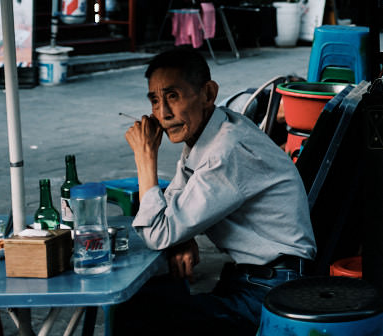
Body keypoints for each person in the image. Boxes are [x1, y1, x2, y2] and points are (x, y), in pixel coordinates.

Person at [115, 47, 316, 336]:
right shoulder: (208, 135)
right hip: (253, 279)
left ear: (208, 94)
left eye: (173, 96)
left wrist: (146, 156)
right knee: (148, 297)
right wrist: (181, 237)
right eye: (155, 100)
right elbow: (170, 211)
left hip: (271, 291)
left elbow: (157, 231)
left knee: (140, 314)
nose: (163, 114)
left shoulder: (226, 150)